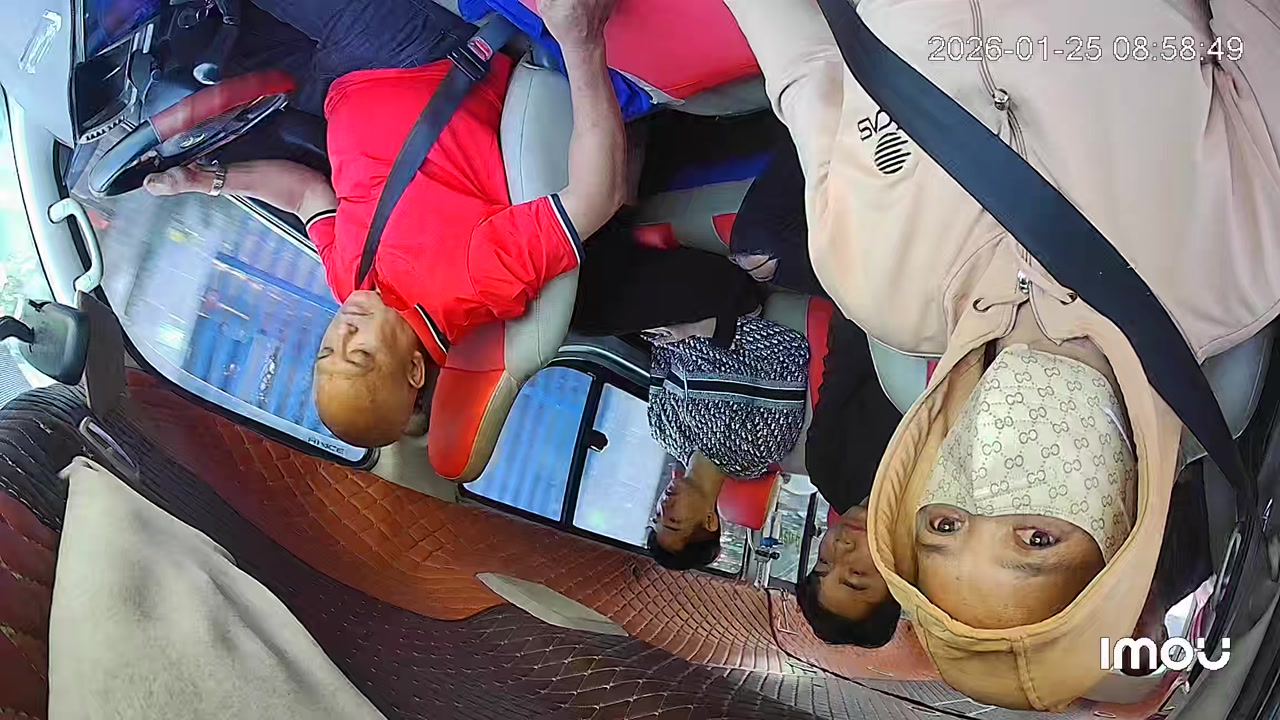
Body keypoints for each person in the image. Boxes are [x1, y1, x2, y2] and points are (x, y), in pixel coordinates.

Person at [724, 0, 1280, 710]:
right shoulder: (1244, 262)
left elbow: (808, 71)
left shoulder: (875, 289)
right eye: (1037, 538)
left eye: (945, 525)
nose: (989, 487)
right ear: (1125, 531)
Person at [145, 0, 627, 448]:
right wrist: (581, 43)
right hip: (413, 55)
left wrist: (206, 181)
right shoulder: (473, 283)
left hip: (333, 85)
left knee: (188, 48)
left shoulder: (349, 286)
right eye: (360, 355)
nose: (343, 332)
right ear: (415, 370)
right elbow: (597, 198)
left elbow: (306, 194)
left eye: (326, 351)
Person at [646, 315, 810, 570]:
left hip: (672, 313)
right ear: (710, 520)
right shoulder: (759, 445)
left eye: (657, 516)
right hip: (725, 312)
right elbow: (789, 353)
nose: (664, 507)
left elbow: (659, 355)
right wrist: (699, 328)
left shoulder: (662, 430)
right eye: (674, 521)